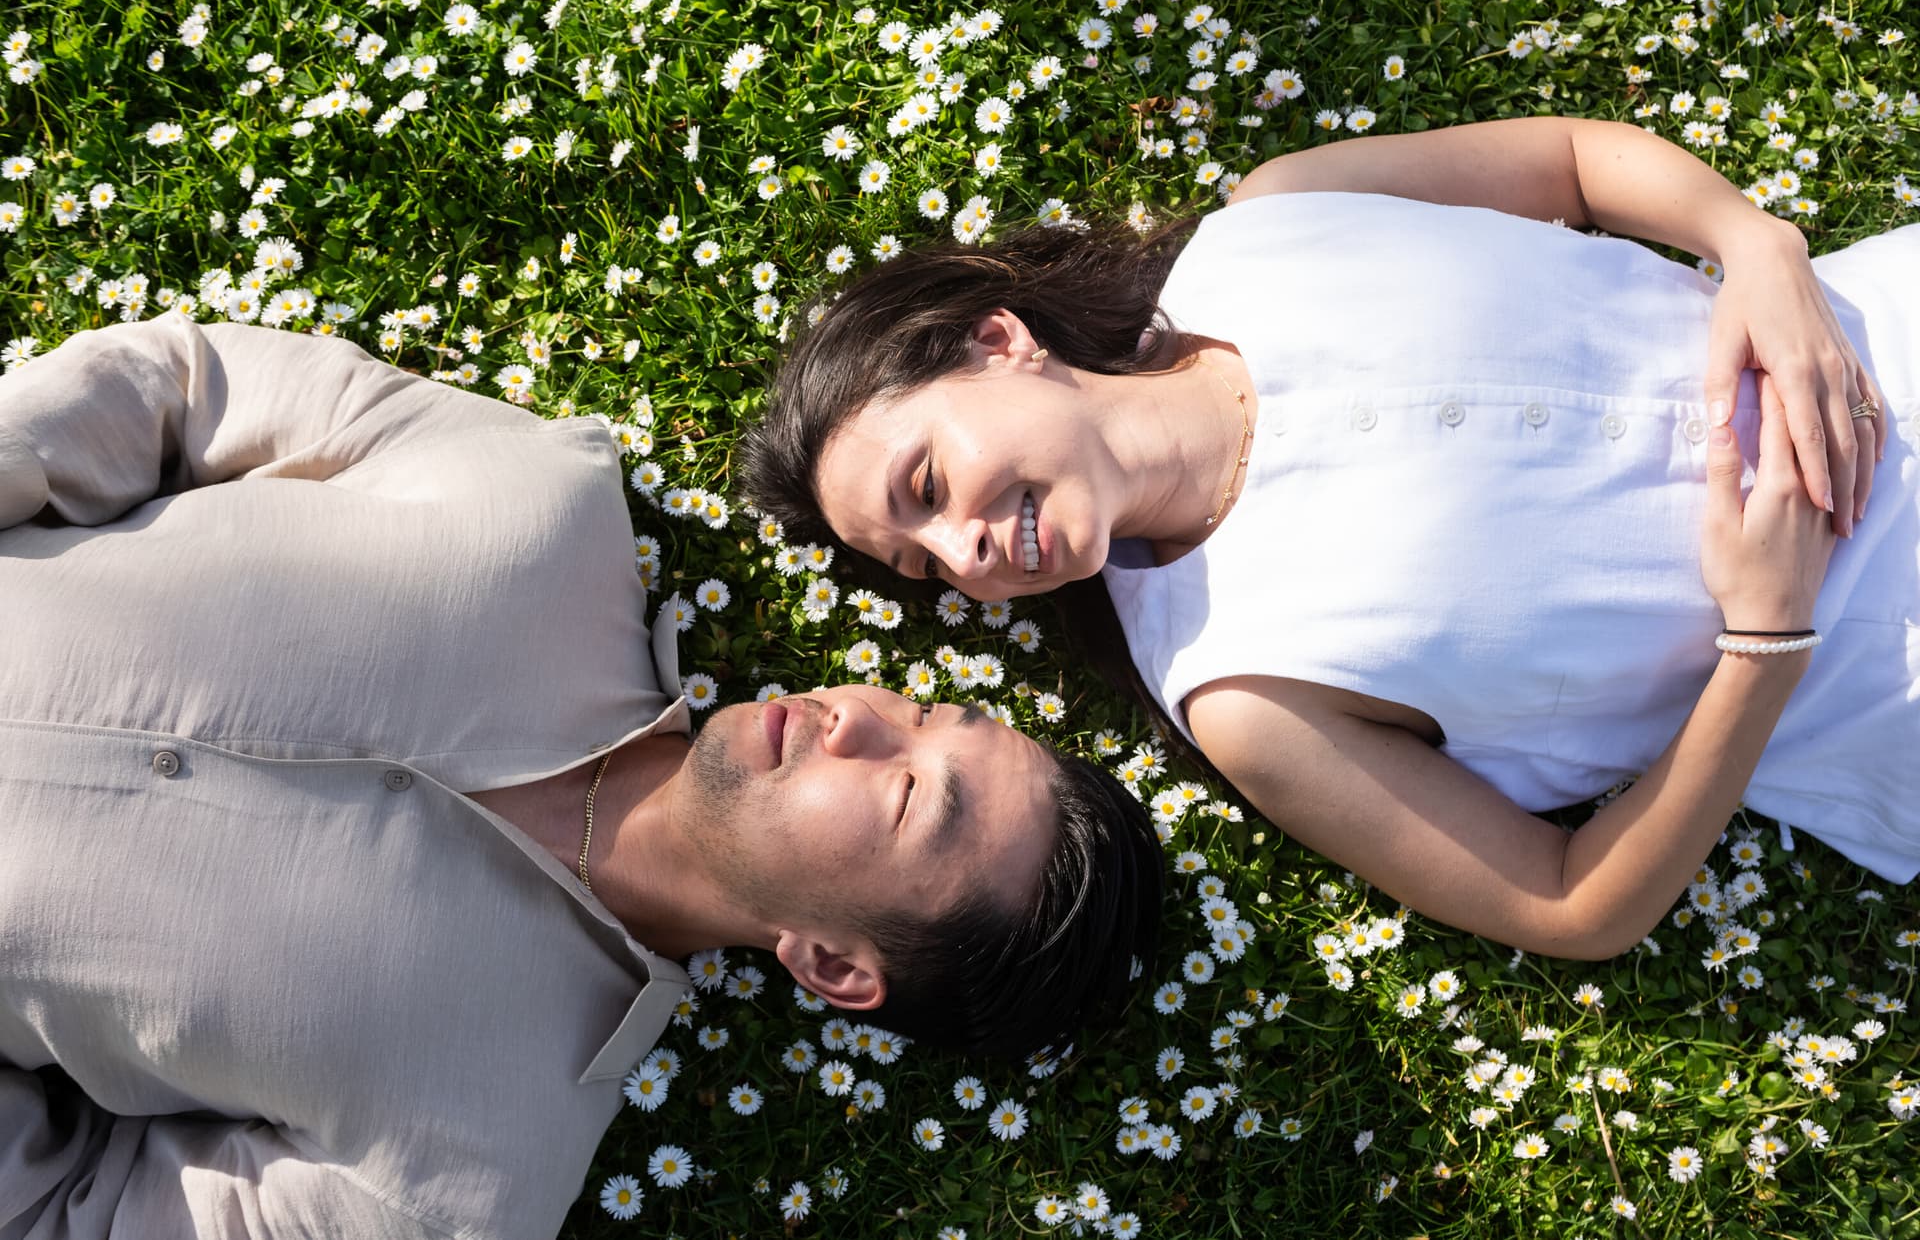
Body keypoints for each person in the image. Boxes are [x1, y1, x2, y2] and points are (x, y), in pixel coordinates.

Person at [0, 311, 1162, 1239]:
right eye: (922, 712)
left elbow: (65, 1215)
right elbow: (182, 384)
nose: (859, 716)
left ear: (833, 966)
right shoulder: (539, 504)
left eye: (911, 792)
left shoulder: (460, 1177)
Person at [743, 114, 1918, 963]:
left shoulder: (1275, 220)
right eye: (923, 561)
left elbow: (1569, 162)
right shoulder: (1247, 689)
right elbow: (1571, 906)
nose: (963, 551)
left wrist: (1759, 248)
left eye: (930, 481)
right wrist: (1766, 638)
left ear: (998, 340)